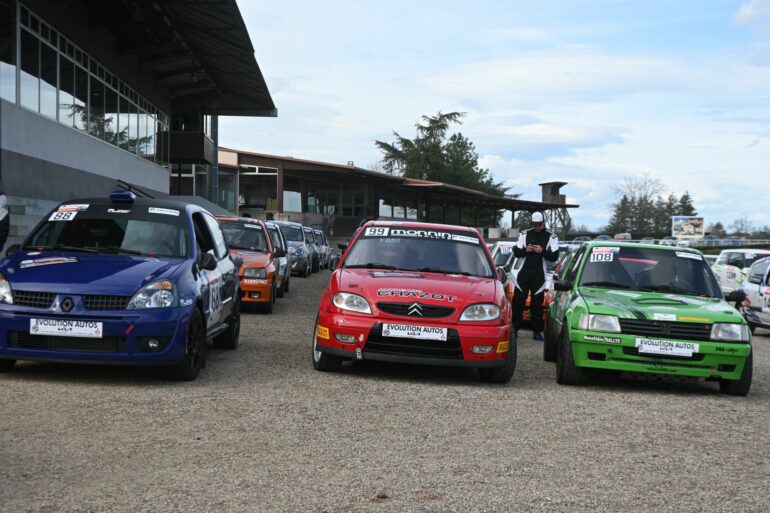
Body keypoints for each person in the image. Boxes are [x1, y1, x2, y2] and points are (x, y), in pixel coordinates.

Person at [512, 212, 559, 340]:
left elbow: (555, 256)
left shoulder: (552, 237)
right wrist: (525, 250)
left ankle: (537, 332)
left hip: (539, 274)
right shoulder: (524, 234)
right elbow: (516, 252)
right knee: (518, 302)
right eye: (534, 224)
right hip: (523, 273)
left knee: (537, 304)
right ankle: (514, 330)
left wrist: (542, 251)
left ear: (543, 223)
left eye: (539, 224)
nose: (537, 227)